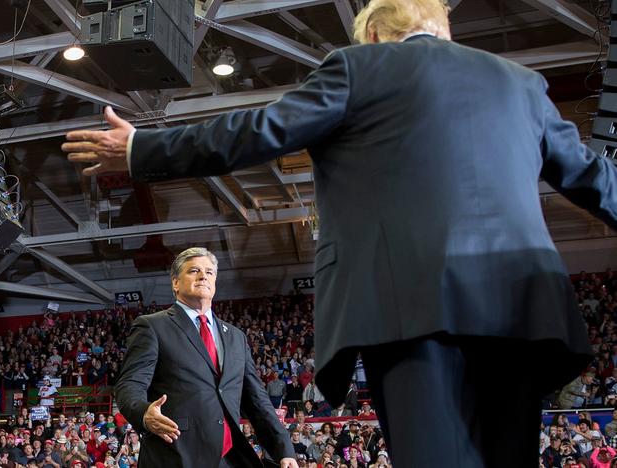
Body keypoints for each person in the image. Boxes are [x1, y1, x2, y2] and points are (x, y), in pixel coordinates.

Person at [62, 0, 617, 464]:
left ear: (374, 33)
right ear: (444, 27)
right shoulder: (521, 84)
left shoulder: (361, 67)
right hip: (522, 310)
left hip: (410, 305)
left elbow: (257, 131)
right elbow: (597, 180)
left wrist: (140, 148)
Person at [114, 248, 296, 467]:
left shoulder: (236, 337)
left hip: (230, 457)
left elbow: (257, 400)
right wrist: (143, 413)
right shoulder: (152, 326)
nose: (203, 276)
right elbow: (130, 384)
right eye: (194, 271)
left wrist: (284, 450)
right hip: (178, 455)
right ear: (175, 283)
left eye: (209, 272)